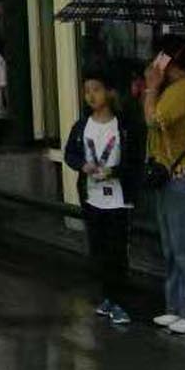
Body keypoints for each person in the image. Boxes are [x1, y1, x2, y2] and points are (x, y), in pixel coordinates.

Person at [64, 63, 145, 326]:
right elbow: (70, 154)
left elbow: (135, 161)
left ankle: (120, 301)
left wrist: (114, 171)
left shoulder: (123, 126)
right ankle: (108, 297)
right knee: (98, 249)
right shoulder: (82, 126)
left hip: (118, 199)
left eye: (96, 90)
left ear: (109, 92)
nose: (91, 96)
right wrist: (82, 165)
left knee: (116, 251)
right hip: (92, 196)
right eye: (87, 90)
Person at [142, 35, 185, 335]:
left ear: (167, 60)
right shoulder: (170, 90)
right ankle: (174, 305)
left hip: (181, 177)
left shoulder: (184, 89)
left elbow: (155, 120)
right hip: (168, 176)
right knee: (171, 246)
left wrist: (151, 88)